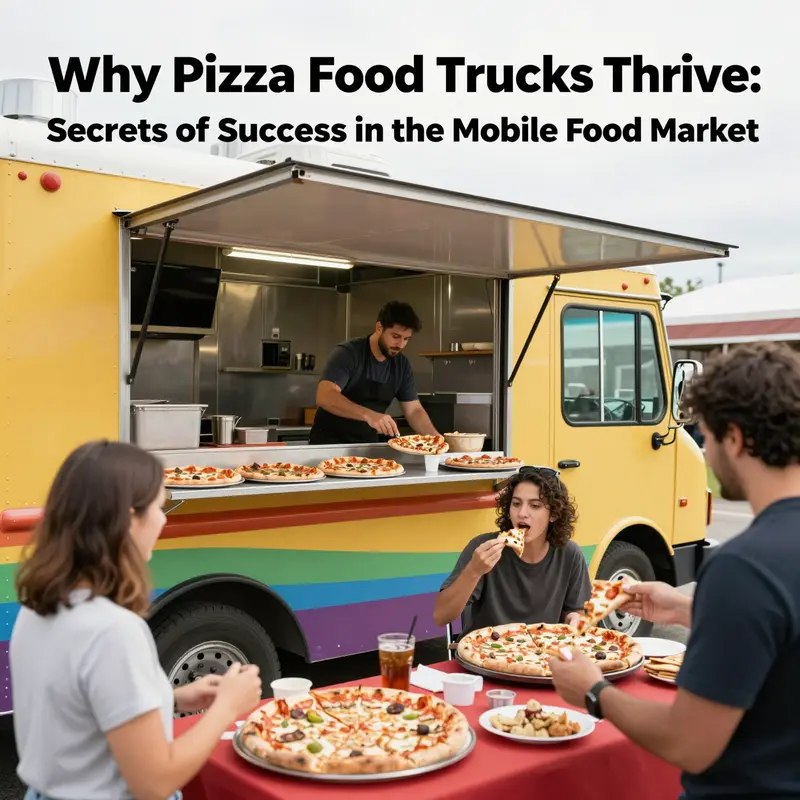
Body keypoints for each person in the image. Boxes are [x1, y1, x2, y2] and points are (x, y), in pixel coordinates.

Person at [548, 342, 800, 799]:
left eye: (706, 434)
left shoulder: (742, 566)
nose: (704, 450)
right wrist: (690, 610)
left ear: (735, 438)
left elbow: (688, 742)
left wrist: (593, 690)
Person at [11, 440, 263, 800]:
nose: (163, 519)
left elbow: (79, 714)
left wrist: (170, 698)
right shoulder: (113, 631)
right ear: (129, 519)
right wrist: (227, 708)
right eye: (159, 507)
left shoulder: (37, 606)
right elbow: (153, 783)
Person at [433, 467, 591, 633]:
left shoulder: (570, 554)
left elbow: (577, 611)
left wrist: (574, 618)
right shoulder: (483, 548)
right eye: (516, 504)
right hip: (485, 646)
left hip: (541, 647)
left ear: (554, 514)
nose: (522, 513)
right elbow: (441, 616)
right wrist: (474, 570)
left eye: (535, 505)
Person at [309, 300, 440, 444]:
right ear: (379, 328)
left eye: (406, 339)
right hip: (329, 444)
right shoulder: (348, 353)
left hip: (367, 446)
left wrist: (437, 440)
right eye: (395, 337)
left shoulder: (402, 365)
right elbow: (325, 396)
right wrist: (369, 415)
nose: (400, 345)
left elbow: (414, 411)